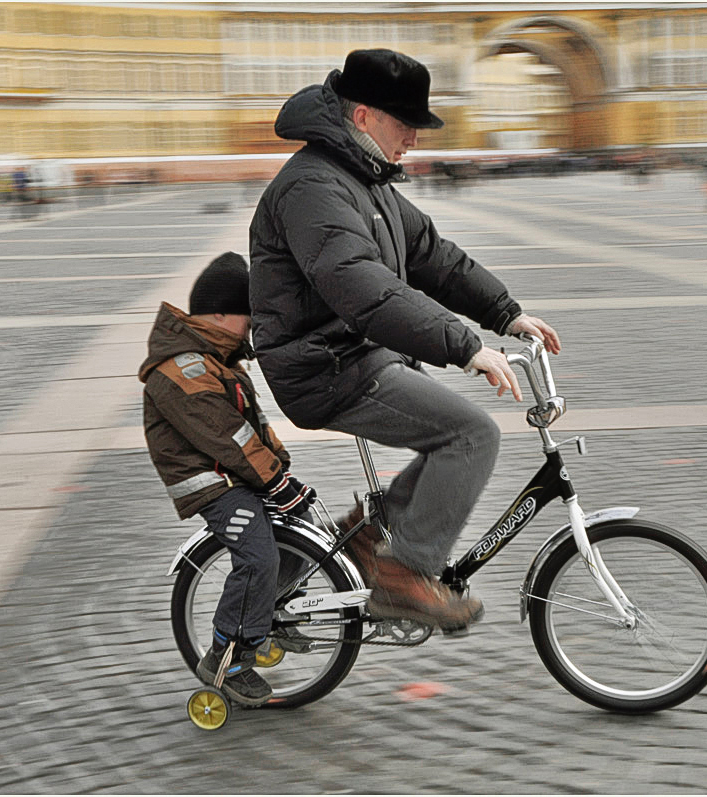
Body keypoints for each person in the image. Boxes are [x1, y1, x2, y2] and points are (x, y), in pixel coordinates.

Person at [249, 49, 561, 633]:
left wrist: (506, 313)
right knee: (470, 434)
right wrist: (465, 346)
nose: (414, 139)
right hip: (324, 368)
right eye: (405, 125)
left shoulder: (367, 182)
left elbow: (433, 258)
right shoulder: (314, 187)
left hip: (354, 356)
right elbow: (360, 287)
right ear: (363, 117)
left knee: (449, 433)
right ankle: (403, 575)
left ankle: (371, 538)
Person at [140, 252, 317, 707]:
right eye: (248, 317)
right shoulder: (183, 368)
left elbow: (254, 429)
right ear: (219, 314)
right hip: (212, 484)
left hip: (236, 474)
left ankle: (266, 616)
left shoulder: (219, 361)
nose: (252, 327)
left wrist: (282, 470)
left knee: (302, 536)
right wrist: (273, 480)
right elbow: (226, 437)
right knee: (258, 555)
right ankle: (226, 656)